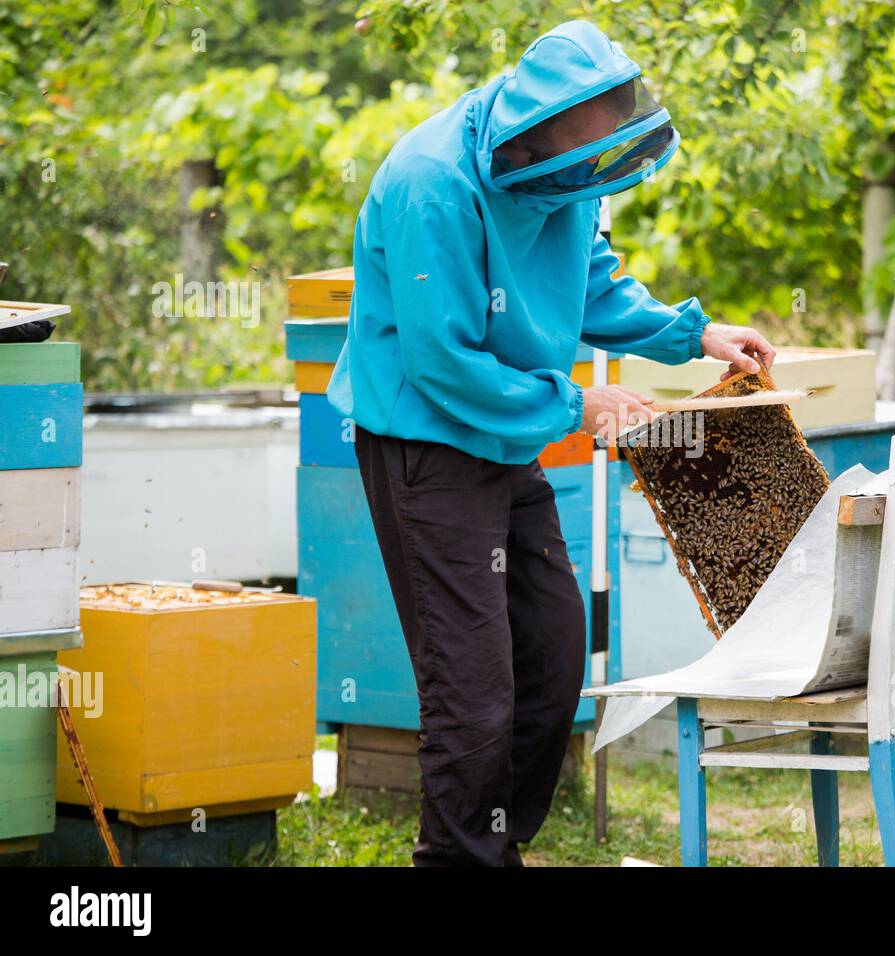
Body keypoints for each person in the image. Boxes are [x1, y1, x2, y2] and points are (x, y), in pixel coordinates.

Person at [326, 19, 776, 866]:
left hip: (506, 436)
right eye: (577, 158)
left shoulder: (569, 167)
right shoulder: (433, 183)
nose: (586, 177)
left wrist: (694, 334)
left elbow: (593, 278)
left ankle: (496, 847)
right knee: (473, 690)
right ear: (535, 128)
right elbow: (442, 362)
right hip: (428, 445)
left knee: (552, 654)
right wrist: (578, 404)